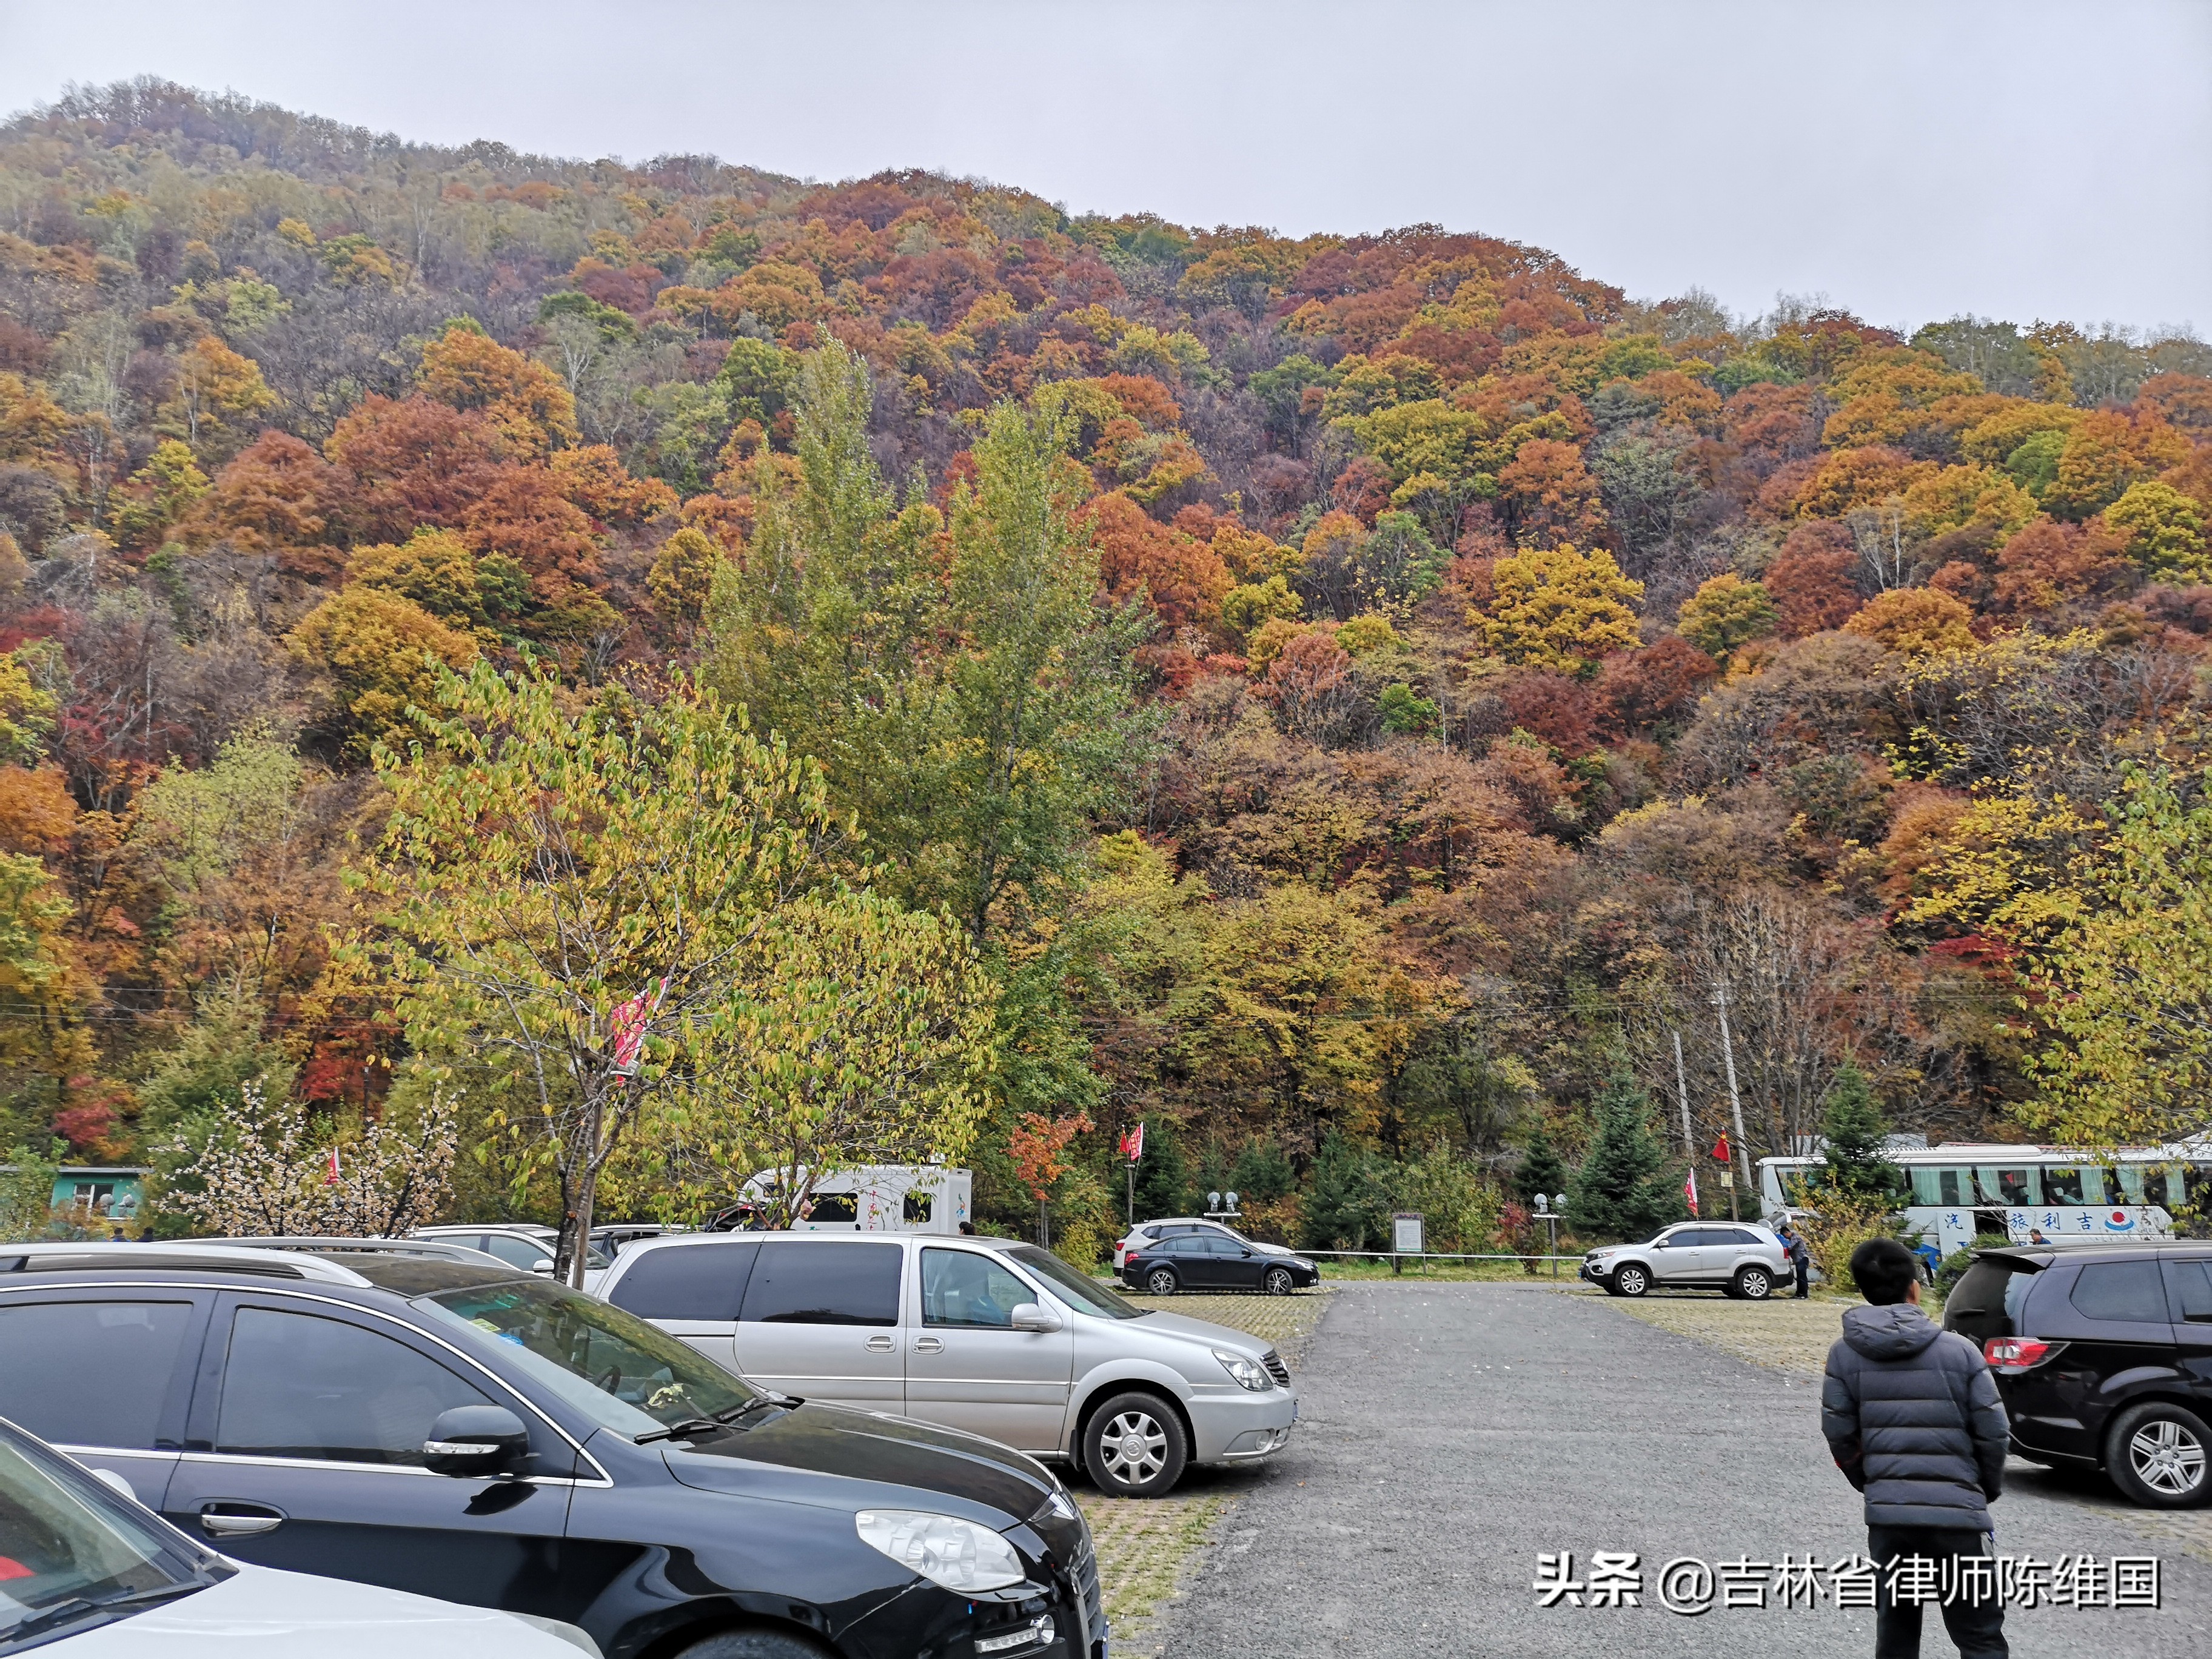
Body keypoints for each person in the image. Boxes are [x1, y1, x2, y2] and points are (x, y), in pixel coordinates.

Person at [1822, 1236, 2009, 1659]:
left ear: (1863, 1290)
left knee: (1897, 1633)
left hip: (1891, 1521)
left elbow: (1839, 1433)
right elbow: (1994, 1431)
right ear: (1914, 1287)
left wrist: (1874, 1483)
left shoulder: (1844, 1355)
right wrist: (1983, 1488)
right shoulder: (1960, 1351)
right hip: (1960, 1519)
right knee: (1979, 1634)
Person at [1778, 1223, 1812, 1299]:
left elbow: (1790, 1247)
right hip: (1798, 1260)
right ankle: (1799, 1293)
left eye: (1785, 1236)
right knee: (1799, 1278)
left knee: (1802, 1278)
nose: (1786, 1238)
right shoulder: (1791, 1239)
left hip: (1802, 1259)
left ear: (1787, 1233)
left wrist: (1784, 1245)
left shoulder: (1795, 1237)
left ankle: (1804, 1294)